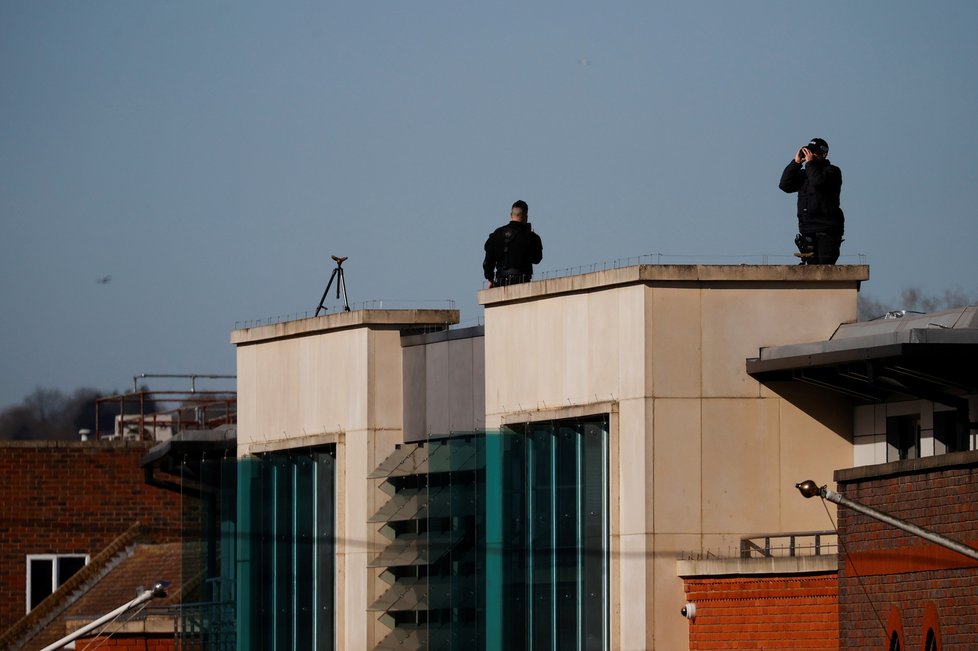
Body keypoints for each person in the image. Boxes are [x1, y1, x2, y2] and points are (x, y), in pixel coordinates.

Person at [778, 137, 845, 264]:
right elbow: (784, 185)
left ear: (824, 154)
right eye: (809, 152)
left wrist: (810, 164)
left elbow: (817, 182)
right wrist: (796, 163)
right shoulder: (805, 174)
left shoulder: (832, 171)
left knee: (825, 269)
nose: (811, 155)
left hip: (827, 229)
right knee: (811, 270)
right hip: (807, 229)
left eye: (814, 152)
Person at [483, 200, 543, 287]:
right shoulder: (530, 236)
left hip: (501, 282)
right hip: (522, 283)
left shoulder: (496, 234)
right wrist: (534, 239)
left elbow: (487, 262)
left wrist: (490, 279)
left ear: (511, 215)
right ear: (526, 217)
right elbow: (537, 259)